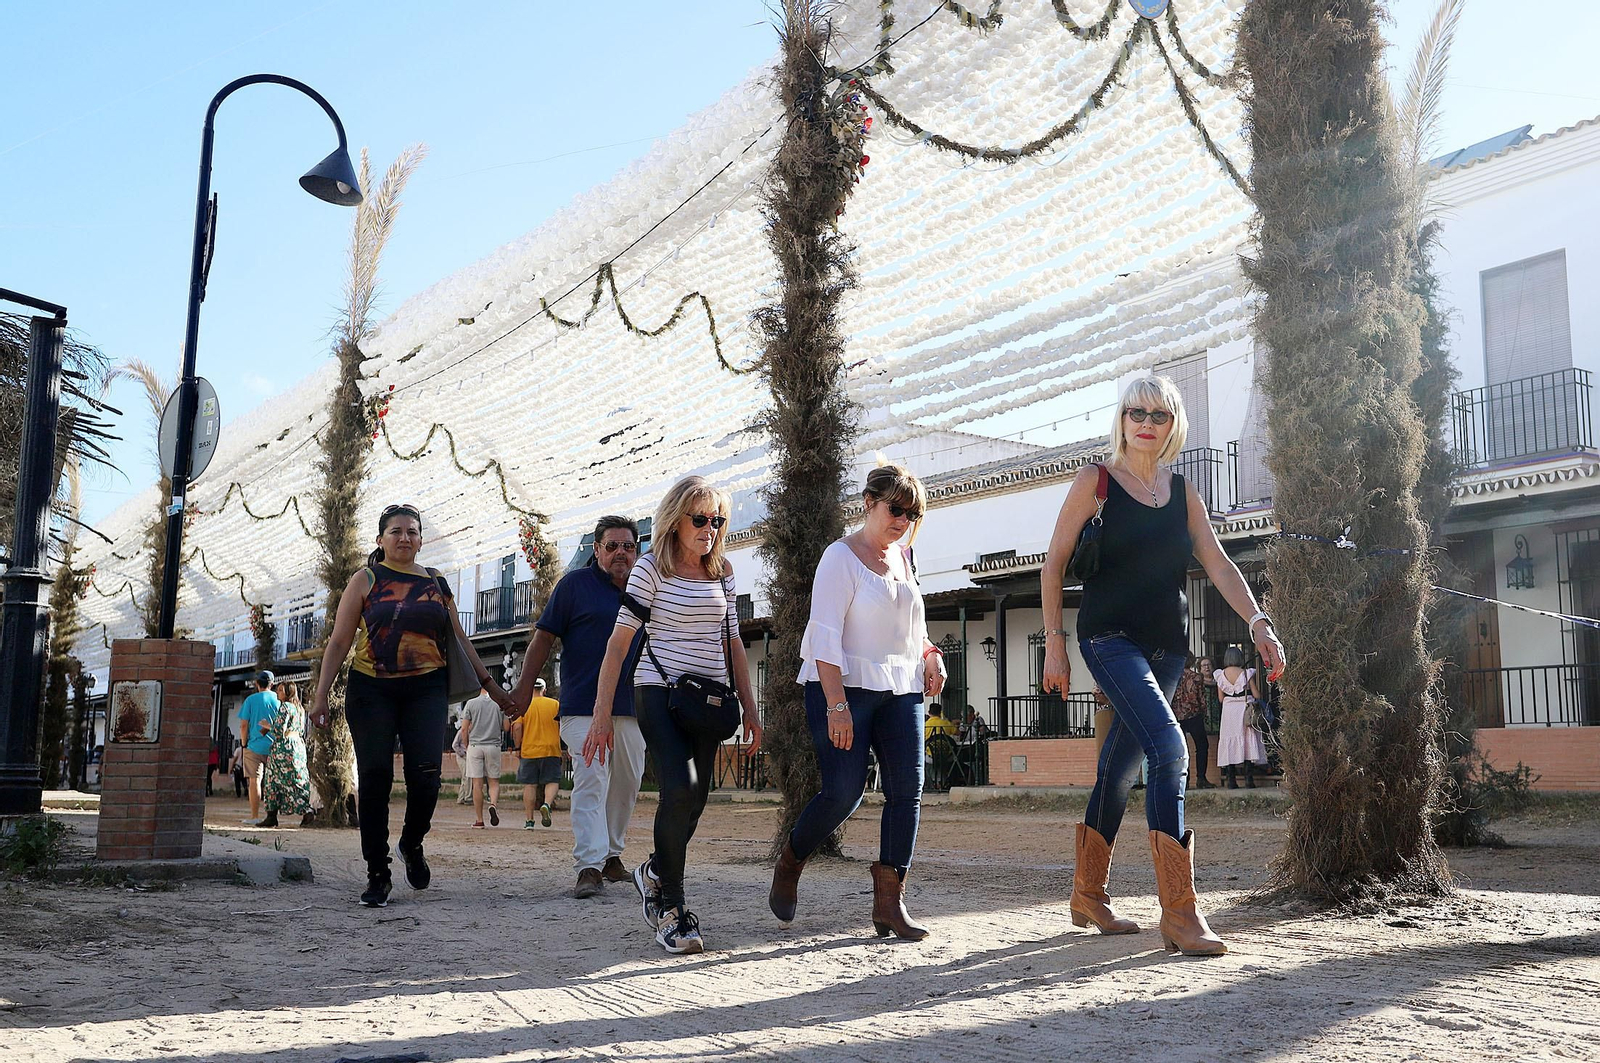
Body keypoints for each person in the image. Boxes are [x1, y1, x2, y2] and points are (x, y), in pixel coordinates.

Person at [1041, 374, 1286, 957]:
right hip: (1108, 639)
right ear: (1121, 420)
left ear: (1173, 424)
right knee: (1172, 749)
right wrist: (1053, 643)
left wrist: (1258, 622)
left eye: (1159, 414)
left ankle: (1087, 893)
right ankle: (1179, 913)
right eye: (1136, 412)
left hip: (1167, 648)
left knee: (1121, 766)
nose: (1146, 422)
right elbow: (1052, 567)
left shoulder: (1183, 494)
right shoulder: (1095, 483)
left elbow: (1221, 566)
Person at [585, 477, 761, 955]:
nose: (709, 528)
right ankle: (672, 910)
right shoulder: (651, 569)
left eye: (717, 520)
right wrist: (602, 714)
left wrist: (751, 707)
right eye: (699, 519)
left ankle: (655, 872)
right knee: (678, 788)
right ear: (676, 520)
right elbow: (618, 646)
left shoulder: (722, 570)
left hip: (706, 699)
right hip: (658, 692)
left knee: (697, 800)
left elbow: (734, 643)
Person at [769, 464, 944, 940]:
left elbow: (911, 628)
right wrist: (836, 705)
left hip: (901, 689)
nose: (903, 519)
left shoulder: (906, 558)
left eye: (912, 513)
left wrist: (930, 654)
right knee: (843, 793)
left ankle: (890, 902)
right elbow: (823, 637)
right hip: (843, 689)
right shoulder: (839, 558)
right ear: (869, 502)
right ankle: (791, 860)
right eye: (895, 509)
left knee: (907, 791)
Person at [310, 503, 516, 908]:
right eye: (396, 531)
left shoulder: (436, 582)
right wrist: (320, 696)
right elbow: (338, 642)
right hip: (371, 690)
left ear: (421, 540)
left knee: (426, 776)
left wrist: (492, 688)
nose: (405, 537)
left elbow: (458, 638)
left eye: (412, 531)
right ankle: (377, 872)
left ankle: (411, 841)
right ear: (381, 539)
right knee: (375, 778)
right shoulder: (365, 579)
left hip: (426, 689)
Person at [506, 515, 648, 899]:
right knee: (592, 775)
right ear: (597, 549)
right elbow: (542, 640)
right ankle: (588, 864)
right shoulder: (574, 586)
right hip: (583, 706)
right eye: (612, 545)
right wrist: (522, 689)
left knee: (629, 778)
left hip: (630, 707)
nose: (621, 552)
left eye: (629, 546)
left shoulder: (645, 588)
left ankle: (611, 855)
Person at [260, 680, 314, 827]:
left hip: (283, 749)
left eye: (280, 690)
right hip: (297, 747)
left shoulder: (285, 707)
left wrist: (266, 725)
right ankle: (305, 811)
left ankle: (272, 816)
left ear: (288, 692)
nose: (278, 692)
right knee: (296, 779)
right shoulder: (300, 709)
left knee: (272, 780)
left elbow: (279, 731)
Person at [513, 678, 562, 830]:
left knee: (530, 785)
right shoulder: (555, 704)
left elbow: (516, 728)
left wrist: (517, 746)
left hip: (529, 749)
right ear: (544, 690)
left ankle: (529, 821)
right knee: (552, 780)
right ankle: (546, 804)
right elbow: (563, 724)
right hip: (551, 748)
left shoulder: (524, 706)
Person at [1215, 646, 1266, 789]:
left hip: (1228, 710)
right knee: (1247, 740)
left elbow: (1220, 698)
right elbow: (1256, 695)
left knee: (1229, 740)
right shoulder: (1246, 673)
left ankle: (1231, 781)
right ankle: (1249, 780)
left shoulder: (1220, 675)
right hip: (1244, 709)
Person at [458, 688, 507, 827]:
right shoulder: (499, 703)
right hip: (493, 746)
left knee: (477, 784)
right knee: (493, 782)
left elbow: (464, 729)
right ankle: (493, 804)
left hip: (475, 746)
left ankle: (479, 820)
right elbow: (506, 727)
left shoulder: (471, 703)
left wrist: (467, 745)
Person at [237, 671, 279, 826]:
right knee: (273, 782)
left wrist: (243, 743)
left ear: (257, 684)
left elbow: (243, 725)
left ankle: (255, 815)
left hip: (254, 746)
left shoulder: (250, 700)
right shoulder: (278, 700)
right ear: (272, 684)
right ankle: (272, 815)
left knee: (254, 781)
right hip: (274, 746)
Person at [1172, 655, 1213, 789]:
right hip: (1194, 714)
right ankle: (1201, 778)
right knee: (1201, 746)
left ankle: (1185, 780)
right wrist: (1204, 712)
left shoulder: (1173, 676)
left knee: (1182, 749)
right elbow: (1201, 697)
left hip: (1177, 715)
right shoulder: (1196, 677)